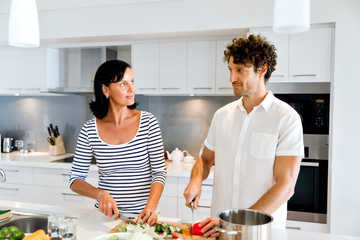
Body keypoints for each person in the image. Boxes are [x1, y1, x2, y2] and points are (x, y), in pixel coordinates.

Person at [183, 34, 304, 237]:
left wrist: (236, 223)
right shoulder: (222, 115)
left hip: (263, 231)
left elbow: (286, 185)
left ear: (262, 69)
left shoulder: (286, 118)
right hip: (220, 230)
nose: (232, 78)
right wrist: (196, 180)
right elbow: (205, 160)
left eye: (240, 70)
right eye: (230, 70)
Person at [69, 60, 166, 225]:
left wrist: (151, 207)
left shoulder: (148, 122)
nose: (131, 88)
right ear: (105, 89)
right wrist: (100, 194)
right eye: (123, 84)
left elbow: (159, 173)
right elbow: (75, 179)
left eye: (132, 82)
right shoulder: (89, 130)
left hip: (143, 218)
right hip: (105, 218)